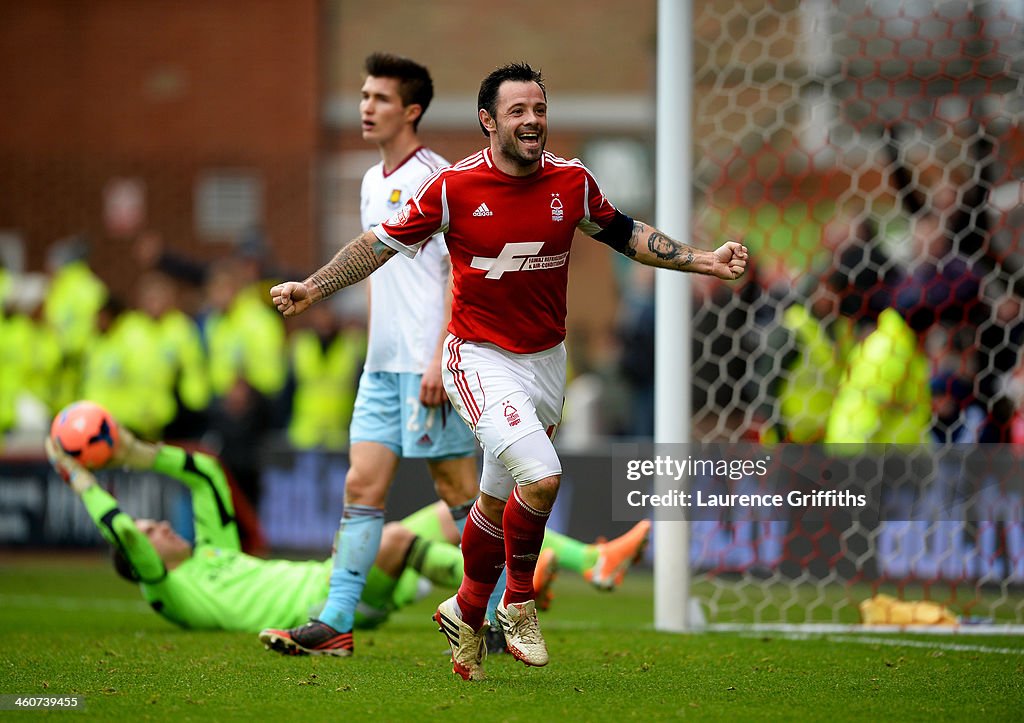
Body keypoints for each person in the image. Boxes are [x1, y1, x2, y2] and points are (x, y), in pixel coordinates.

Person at [269, 61, 747, 681]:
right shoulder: (454, 188)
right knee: (542, 477)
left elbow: (626, 233)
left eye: (539, 110)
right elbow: (374, 245)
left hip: (547, 363)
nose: (532, 121)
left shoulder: (571, 182)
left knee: (491, 505)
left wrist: (704, 260)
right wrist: (313, 287)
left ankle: (466, 609)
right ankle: (516, 602)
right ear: (488, 121)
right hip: (478, 356)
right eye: (518, 111)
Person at [43, 413, 650, 635]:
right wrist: (81, 480)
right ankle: (496, 593)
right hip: (326, 602)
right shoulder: (164, 589)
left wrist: (136, 454)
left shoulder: (208, 555)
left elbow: (203, 477)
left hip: (332, 580)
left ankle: (587, 563)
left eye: (155, 526)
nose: (159, 530)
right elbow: (122, 531)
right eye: (152, 534)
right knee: (392, 538)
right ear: (142, 561)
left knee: (459, 510)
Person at [259, 53, 479, 658]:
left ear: (411, 111)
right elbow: (378, 268)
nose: (365, 106)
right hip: (383, 365)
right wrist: (325, 299)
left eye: (379, 98)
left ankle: (502, 604)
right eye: (363, 96)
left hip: (430, 362)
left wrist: (441, 357)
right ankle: (335, 621)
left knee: (458, 489)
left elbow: (457, 276)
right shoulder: (369, 181)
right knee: (361, 483)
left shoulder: (437, 177)